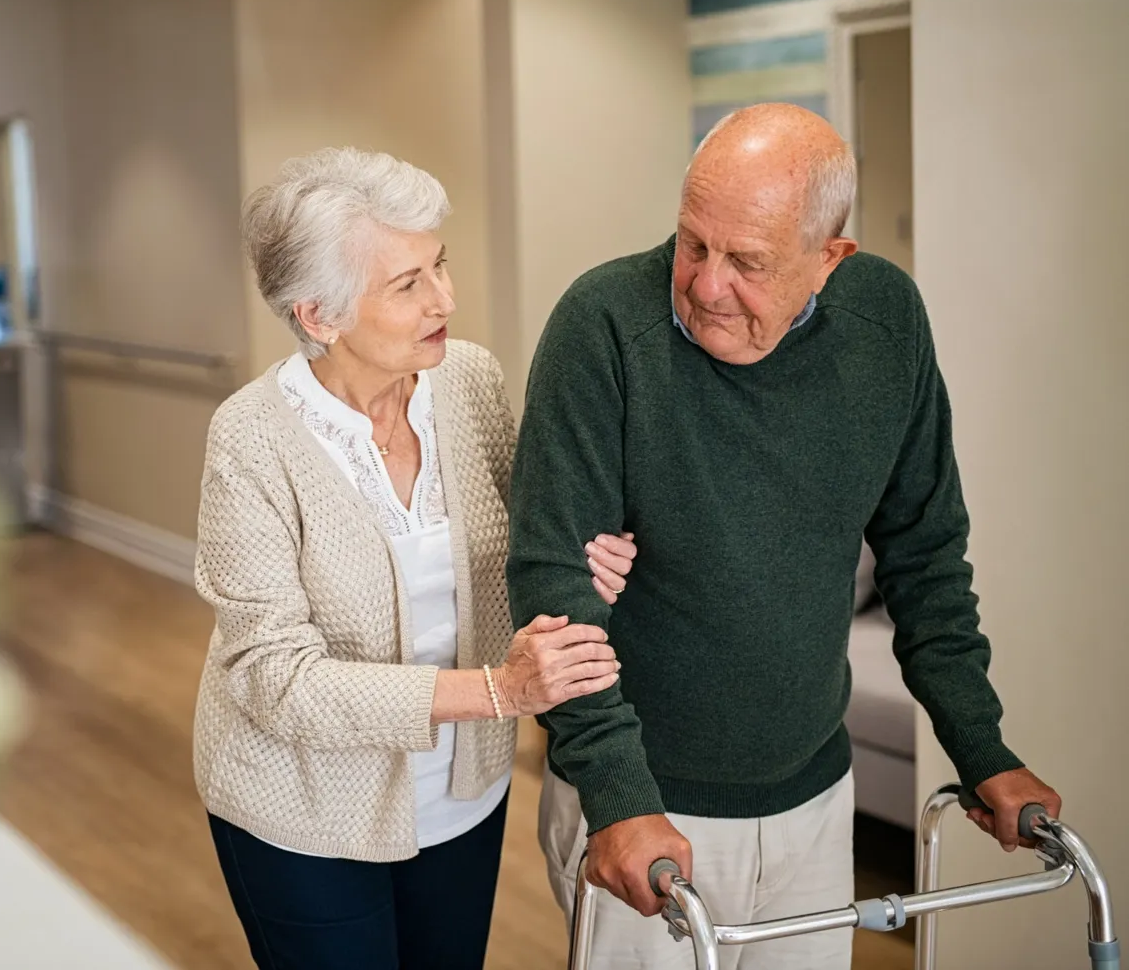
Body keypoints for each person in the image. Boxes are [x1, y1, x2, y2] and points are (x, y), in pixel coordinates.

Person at [506, 103, 1062, 969]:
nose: (703, 283)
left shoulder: (886, 323)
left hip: (813, 795)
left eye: (748, 262)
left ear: (829, 259)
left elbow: (925, 554)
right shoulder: (604, 326)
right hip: (642, 800)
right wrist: (615, 794)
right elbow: (554, 582)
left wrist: (980, 745)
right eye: (693, 243)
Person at [192, 147, 638, 970]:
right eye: (408, 284)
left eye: (440, 265)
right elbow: (273, 677)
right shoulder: (251, 439)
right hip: (304, 811)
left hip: (464, 796)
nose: (447, 298)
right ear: (318, 315)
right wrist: (499, 692)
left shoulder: (467, 380)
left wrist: (580, 564)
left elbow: (518, 550)